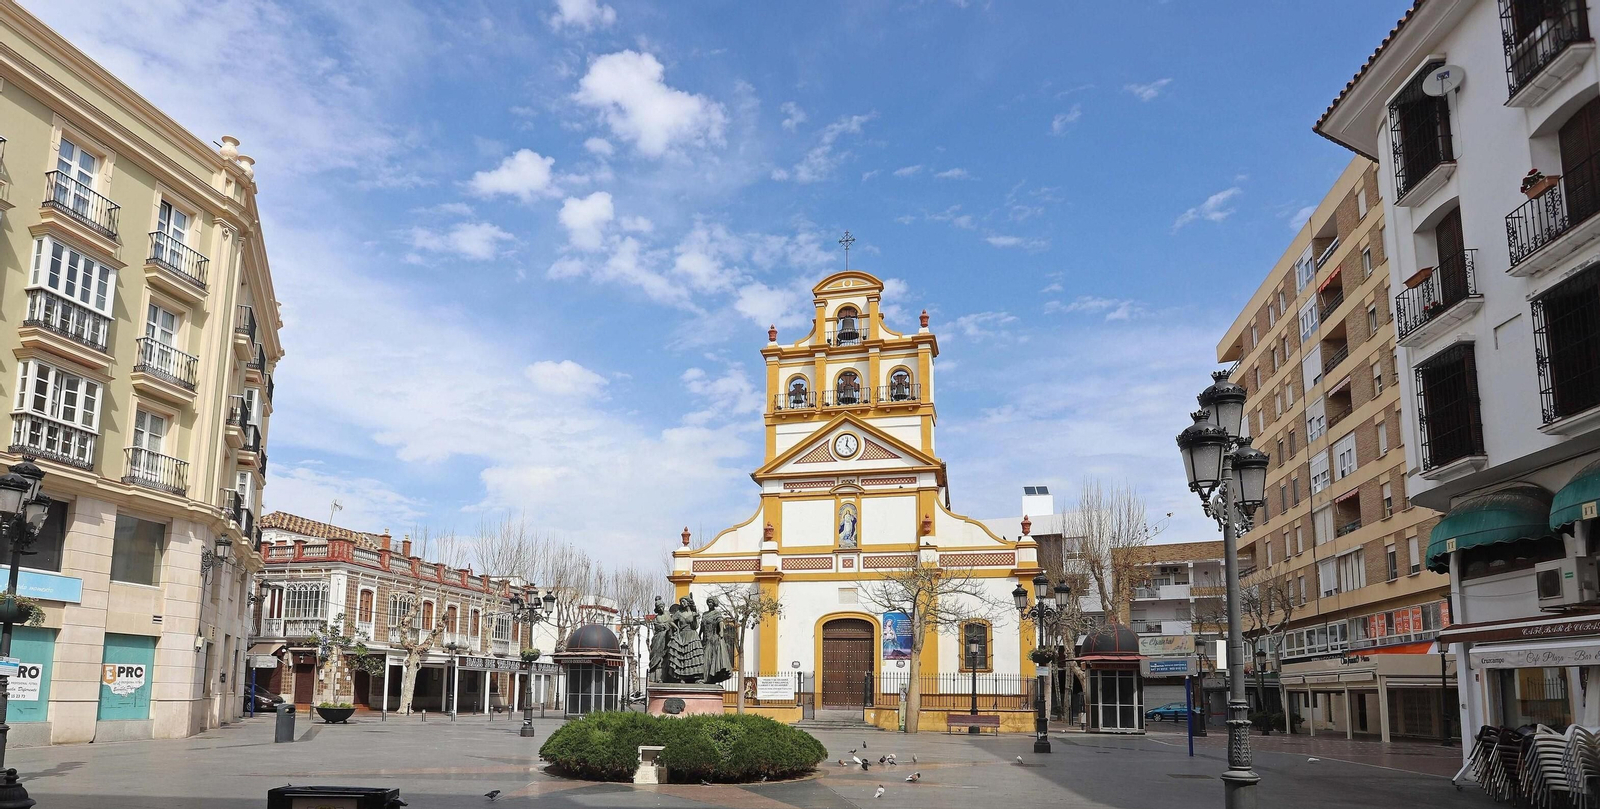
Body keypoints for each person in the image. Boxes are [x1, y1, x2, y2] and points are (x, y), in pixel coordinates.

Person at [667, 598, 705, 683]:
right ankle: (682, 676)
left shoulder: (693, 613)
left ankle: (696, 677)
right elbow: (670, 621)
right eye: (681, 602)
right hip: (683, 635)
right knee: (682, 656)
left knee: (694, 656)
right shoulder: (678, 613)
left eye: (683, 601)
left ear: (688, 603)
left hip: (692, 635)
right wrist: (676, 628)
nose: (682, 603)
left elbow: (695, 626)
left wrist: (695, 618)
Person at [700, 597, 733, 684]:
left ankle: (707, 678)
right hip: (705, 640)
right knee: (704, 659)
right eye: (708, 602)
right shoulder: (704, 614)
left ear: (714, 603)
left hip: (713, 638)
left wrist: (721, 631)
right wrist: (699, 635)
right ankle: (706, 677)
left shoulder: (716, 613)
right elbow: (702, 626)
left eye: (711, 602)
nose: (709, 604)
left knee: (708, 658)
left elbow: (720, 622)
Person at [647, 596, 669, 682]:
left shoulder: (667, 614)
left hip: (666, 637)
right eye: (659, 607)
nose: (661, 608)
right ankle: (655, 677)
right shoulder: (656, 618)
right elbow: (657, 627)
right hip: (658, 638)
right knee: (656, 656)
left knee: (665, 657)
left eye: (662, 606)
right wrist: (662, 626)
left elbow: (671, 623)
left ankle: (664, 676)